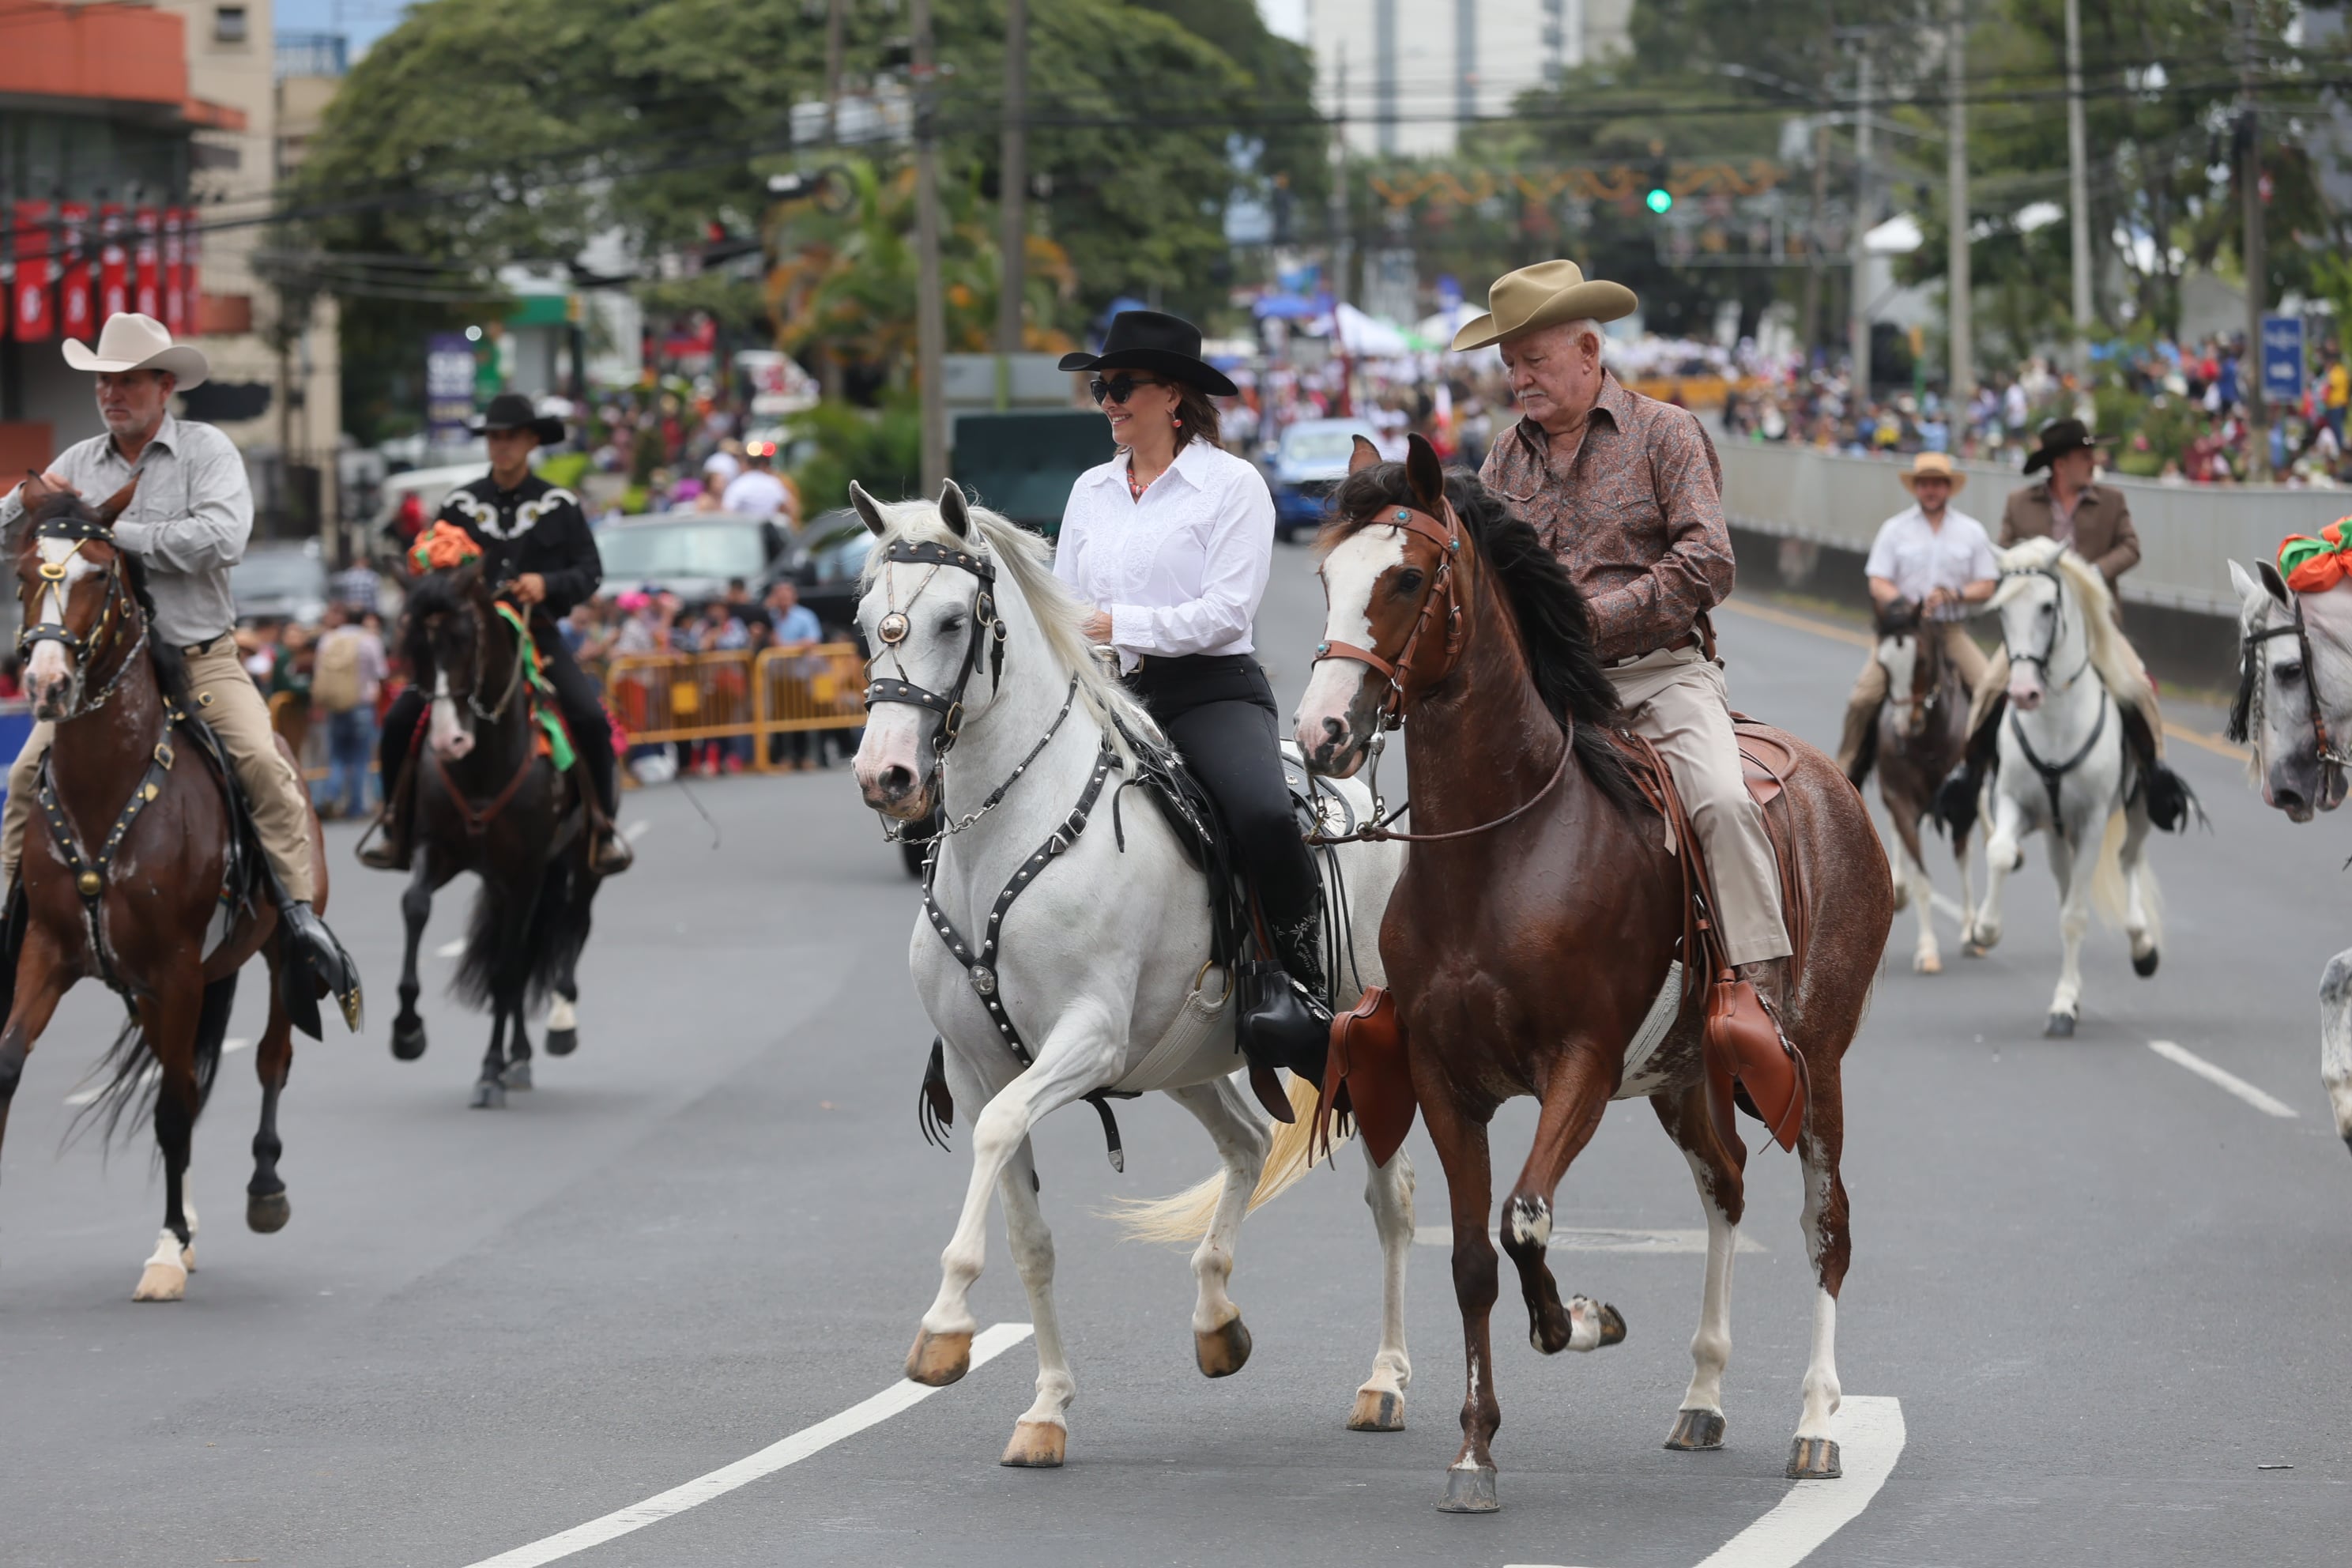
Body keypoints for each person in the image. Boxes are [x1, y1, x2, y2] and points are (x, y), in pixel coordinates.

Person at [1460, 261, 1796, 1018]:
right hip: (1543, 691)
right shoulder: (1502, 458)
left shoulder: (1666, 433)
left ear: (1588, 351)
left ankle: (1759, 998)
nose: (1520, 379)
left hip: (1659, 677)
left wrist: (1590, 619)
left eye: (1534, 360)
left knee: (1721, 802)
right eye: (1511, 365)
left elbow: (1710, 561)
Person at [0, 311, 356, 1004]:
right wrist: (26, 497)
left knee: (261, 761)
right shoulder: (75, 464)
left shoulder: (208, 451)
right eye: (105, 381)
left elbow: (222, 539)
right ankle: (10, 915)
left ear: (166, 387)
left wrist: (109, 536)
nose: (113, 394)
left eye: (129, 381)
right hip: (102, 680)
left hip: (201, 659)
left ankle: (300, 919)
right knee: (21, 777)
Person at [1053, 309, 1331, 1076]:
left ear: (1172, 395)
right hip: (1110, 691)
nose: (1106, 400)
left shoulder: (1232, 484)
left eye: (1119, 385)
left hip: (1208, 688)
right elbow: (1062, 601)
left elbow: (1225, 613)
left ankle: (1298, 984)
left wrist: (1115, 622)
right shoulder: (1090, 489)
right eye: (1100, 386)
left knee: (1265, 813)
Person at [360, 392, 632, 876]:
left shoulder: (559, 504)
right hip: (467, 642)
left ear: (531, 441)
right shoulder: (461, 503)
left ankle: (602, 824)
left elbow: (590, 571)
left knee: (589, 717)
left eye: (510, 438)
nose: (501, 446)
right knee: (402, 716)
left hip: (537, 634)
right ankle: (394, 822)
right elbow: (430, 564)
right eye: (493, 438)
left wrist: (547, 583)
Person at [1946, 417, 2188, 827]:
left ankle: (2155, 771)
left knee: (2138, 686)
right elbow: (2004, 554)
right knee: (1989, 686)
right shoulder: (2020, 504)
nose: (2093, 462)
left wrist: (2093, 573)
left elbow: (2131, 547)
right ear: (2061, 464)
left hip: (2096, 626)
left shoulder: (2110, 500)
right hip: (2037, 629)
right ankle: (1969, 772)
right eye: (2084, 456)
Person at [1835, 452, 1998, 787]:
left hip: (1948, 629)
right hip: (1903, 632)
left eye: (1937, 483)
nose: (1931, 490)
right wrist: (1903, 603)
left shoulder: (1971, 531)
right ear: (1916, 488)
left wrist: (1954, 594)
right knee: (1864, 697)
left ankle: (1994, 765)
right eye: (1925, 483)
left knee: (1989, 688)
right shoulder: (1895, 530)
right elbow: (1877, 580)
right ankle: (1845, 769)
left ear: (1948, 488)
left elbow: (1987, 584)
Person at [313, 602, 387, 820]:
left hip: (335, 704)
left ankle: (331, 795)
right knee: (360, 757)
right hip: (362, 704)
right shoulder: (369, 640)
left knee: (337, 755)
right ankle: (356, 806)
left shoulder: (329, 639)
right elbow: (381, 673)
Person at [722, 446, 790, 517]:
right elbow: (788, 507)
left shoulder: (739, 484)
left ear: (746, 465)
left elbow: (727, 510)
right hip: (768, 525)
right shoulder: (773, 482)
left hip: (745, 526)